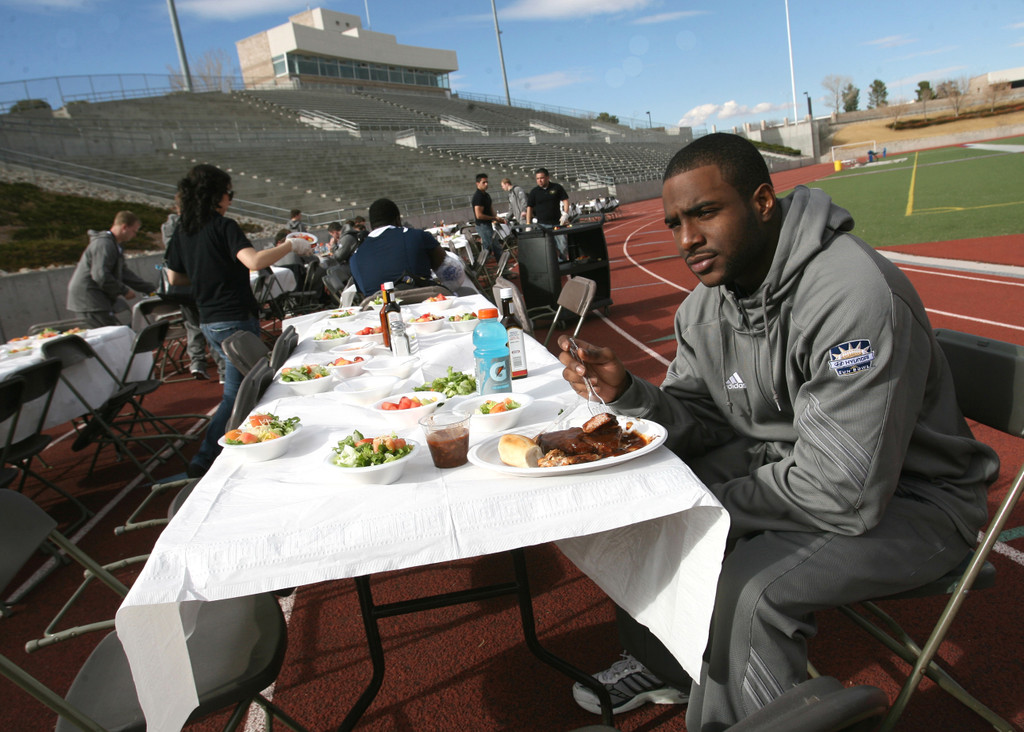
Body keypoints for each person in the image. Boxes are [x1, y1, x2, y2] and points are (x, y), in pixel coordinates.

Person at [556, 133, 999, 730]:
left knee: (750, 590)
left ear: (763, 202)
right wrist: (631, 396)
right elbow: (702, 419)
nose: (687, 239)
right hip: (796, 471)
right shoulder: (706, 307)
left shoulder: (852, 294)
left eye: (706, 213)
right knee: (646, 499)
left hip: (912, 501)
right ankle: (668, 664)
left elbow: (845, 491)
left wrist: (711, 507)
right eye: (675, 223)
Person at [164, 164, 313, 478]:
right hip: (234, 317)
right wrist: (290, 245)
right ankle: (206, 460)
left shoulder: (183, 230)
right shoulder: (224, 226)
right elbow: (253, 261)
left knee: (243, 389)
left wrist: (207, 272)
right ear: (218, 196)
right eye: (229, 194)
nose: (231, 200)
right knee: (239, 395)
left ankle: (239, 446)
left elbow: (174, 276)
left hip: (208, 320)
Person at [161, 204, 223, 381]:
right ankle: (222, 369)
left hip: (183, 288)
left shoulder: (170, 228)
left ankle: (197, 362)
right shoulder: (193, 227)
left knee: (193, 325)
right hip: (199, 285)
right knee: (209, 324)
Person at [66, 210, 156, 328]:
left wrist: (150, 289)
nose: (134, 235)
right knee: (107, 335)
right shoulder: (105, 244)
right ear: (124, 227)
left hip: (95, 299)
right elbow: (100, 275)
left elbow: (124, 273)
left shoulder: (114, 245)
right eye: (134, 231)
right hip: (90, 299)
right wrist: (123, 290)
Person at [349, 197, 446, 297]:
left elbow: (363, 294)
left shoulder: (355, 258)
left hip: (381, 311)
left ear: (371, 225)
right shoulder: (417, 236)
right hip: (427, 305)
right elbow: (446, 266)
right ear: (398, 220)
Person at [525, 167, 571, 260]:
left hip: (557, 223)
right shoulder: (534, 192)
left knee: (563, 245)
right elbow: (529, 208)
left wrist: (565, 214)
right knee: (547, 248)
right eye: (537, 179)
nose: (539, 181)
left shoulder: (557, 187)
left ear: (547, 177)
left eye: (541, 178)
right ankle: (552, 267)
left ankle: (562, 264)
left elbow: (565, 201)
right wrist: (528, 224)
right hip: (542, 225)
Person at [472, 173, 506, 262]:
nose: (486, 184)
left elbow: (491, 211)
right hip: (482, 226)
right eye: (483, 182)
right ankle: (502, 269)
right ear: (477, 183)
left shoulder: (486, 196)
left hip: (487, 225)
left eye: (487, 182)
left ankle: (478, 265)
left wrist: (498, 218)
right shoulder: (478, 197)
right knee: (494, 247)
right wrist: (494, 218)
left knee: (489, 248)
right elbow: (478, 215)